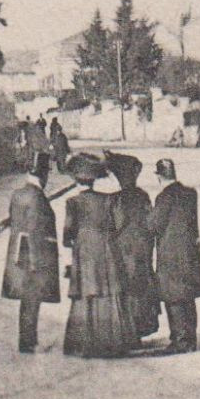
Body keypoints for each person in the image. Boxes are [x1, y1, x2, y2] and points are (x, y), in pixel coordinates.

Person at [61, 153, 136, 358]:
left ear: (77, 180)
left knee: (87, 293)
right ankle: (112, 342)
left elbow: (68, 233)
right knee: (108, 292)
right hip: (107, 251)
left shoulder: (72, 202)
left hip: (85, 253)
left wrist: (73, 241)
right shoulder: (109, 200)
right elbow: (120, 224)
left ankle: (85, 343)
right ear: (94, 180)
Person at [1, 152, 60, 353]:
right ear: (43, 174)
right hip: (32, 256)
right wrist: (37, 264)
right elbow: (35, 231)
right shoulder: (37, 198)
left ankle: (27, 340)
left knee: (27, 302)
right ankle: (28, 342)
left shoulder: (18, 194)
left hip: (19, 254)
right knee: (32, 302)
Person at [151, 158, 200, 353]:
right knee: (188, 297)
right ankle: (189, 339)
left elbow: (154, 226)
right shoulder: (190, 194)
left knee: (173, 297)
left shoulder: (163, 198)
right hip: (190, 252)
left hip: (171, 254)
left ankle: (180, 341)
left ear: (159, 176)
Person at [106, 152, 160, 347]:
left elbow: (110, 227)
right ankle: (139, 330)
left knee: (126, 289)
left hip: (123, 250)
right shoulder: (143, 196)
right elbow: (150, 222)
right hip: (142, 249)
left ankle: (128, 333)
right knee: (141, 288)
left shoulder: (114, 200)